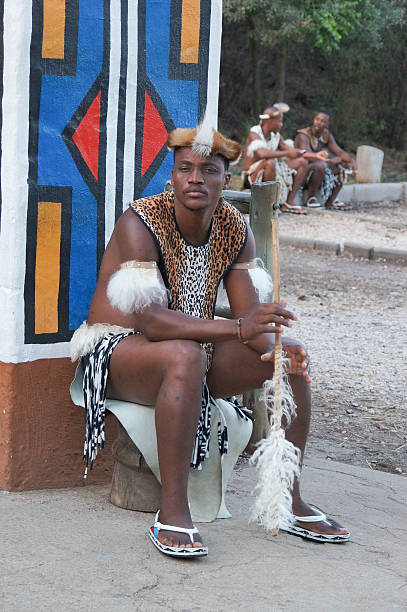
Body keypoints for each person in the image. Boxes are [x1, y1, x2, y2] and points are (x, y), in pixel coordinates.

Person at [71, 118, 349, 558]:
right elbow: (155, 324)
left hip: (189, 355)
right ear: (173, 174)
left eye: (208, 170)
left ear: (226, 178)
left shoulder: (234, 231)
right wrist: (240, 330)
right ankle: (173, 511)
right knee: (184, 355)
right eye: (185, 169)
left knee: (291, 356)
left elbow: (248, 319)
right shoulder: (139, 222)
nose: (195, 178)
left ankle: (289, 501)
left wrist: (276, 351)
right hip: (117, 353)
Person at [243, 104, 327, 215]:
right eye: (279, 121)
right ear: (269, 121)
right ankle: (271, 205)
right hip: (252, 176)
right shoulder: (254, 133)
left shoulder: (276, 136)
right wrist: (287, 153)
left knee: (302, 162)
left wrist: (316, 155)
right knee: (270, 163)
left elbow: (293, 151)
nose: (281, 124)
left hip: (271, 169)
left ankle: (289, 202)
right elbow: (262, 153)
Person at [295, 111, 357, 210]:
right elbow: (307, 156)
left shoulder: (325, 135)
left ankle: (331, 200)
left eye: (323, 121)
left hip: (318, 167)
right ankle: (310, 198)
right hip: (303, 171)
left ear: (327, 125)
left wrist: (351, 161)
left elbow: (339, 152)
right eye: (317, 120)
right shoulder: (303, 135)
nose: (319, 123)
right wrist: (330, 161)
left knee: (343, 166)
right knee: (321, 165)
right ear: (313, 120)